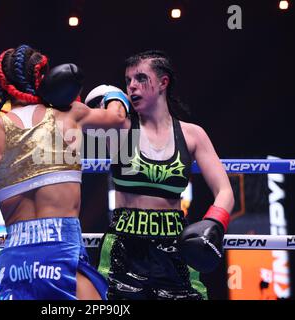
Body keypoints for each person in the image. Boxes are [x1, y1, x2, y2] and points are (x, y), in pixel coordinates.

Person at [0, 44, 127, 300]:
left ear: (2, 85)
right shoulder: (70, 115)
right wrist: (112, 94)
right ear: (43, 78)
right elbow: (118, 119)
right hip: (61, 257)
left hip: (14, 266)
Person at [85, 50, 234, 300]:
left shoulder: (192, 135)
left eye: (141, 78)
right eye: (128, 81)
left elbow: (225, 191)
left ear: (163, 83)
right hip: (124, 245)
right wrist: (112, 97)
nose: (132, 86)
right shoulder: (119, 127)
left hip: (175, 246)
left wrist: (214, 224)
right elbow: (71, 119)